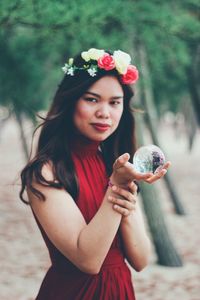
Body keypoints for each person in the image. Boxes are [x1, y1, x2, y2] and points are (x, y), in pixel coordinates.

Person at [20, 48, 170, 300]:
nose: (104, 113)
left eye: (114, 102)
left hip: (120, 290)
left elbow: (141, 260)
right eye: (91, 99)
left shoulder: (115, 167)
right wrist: (116, 187)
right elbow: (88, 260)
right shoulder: (46, 171)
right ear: (70, 101)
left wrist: (125, 189)